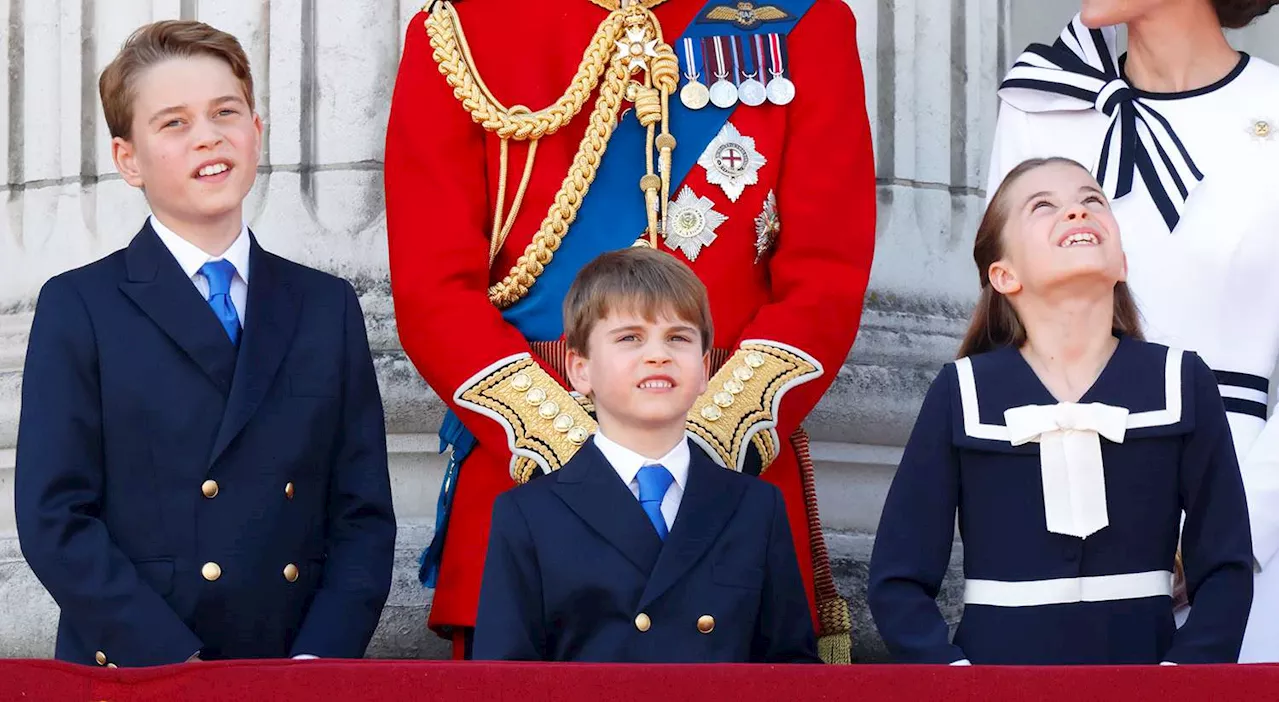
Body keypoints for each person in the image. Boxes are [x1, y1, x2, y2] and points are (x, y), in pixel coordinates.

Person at [383, 0, 876, 661]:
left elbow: (825, 280)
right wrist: (577, 459)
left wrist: (704, 448)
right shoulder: (460, 31)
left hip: (729, 474)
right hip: (529, 479)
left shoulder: (803, 22)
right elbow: (433, 291)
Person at [14, 20, 396, 667]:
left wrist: (317, 664)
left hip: (290, 668)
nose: (209, 136)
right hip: (140, 668)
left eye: (226, 112)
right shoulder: (79, 305)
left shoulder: (325, 306)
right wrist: (165, 658)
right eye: (174, 123)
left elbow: (362, 512)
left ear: (256, 130)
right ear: (127, 159)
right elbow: (56, 518)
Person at [867, 157, 1253, 665]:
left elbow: (1225, 566)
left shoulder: (1182, 381)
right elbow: (898, 580)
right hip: (994, 684)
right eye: (1043, 206)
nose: (1076, 212)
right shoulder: (960, 392)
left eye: (1092, 200)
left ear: (1122, 263)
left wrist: (1183, 677)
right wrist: (954, 678)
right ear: (1003, 274)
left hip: (1148, 680)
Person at [987, 0, 1280, 662]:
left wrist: (1234, 530)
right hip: (1062, 508)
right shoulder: (1042, 101)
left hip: (1251, 497)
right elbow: (1007, 327)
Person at [472, 247, 819, 663]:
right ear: (580, 369)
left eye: (678, 337)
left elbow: (790, 671)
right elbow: (503, 681)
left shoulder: (756, 508)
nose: (658, 355)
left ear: (705, 368)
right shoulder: (528, 515)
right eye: (629, 338)